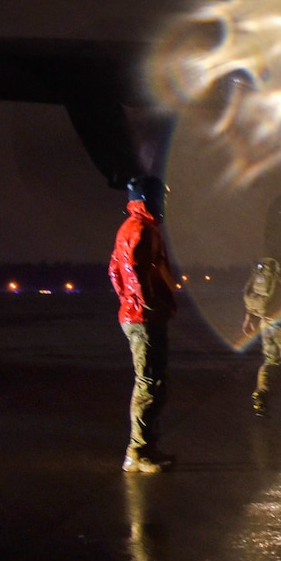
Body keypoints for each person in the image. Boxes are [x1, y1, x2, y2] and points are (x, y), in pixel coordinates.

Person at [109, 175, 178, 473]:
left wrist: (129, 300)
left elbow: (114, 271)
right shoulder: (142, 229)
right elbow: (132, 269)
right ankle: (138, 452)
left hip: (136, 315)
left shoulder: (131, 227)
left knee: (150, 381)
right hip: (144, 318)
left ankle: (145, 447)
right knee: (150, 383)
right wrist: (147, 303)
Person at [241, 254, 281, 418]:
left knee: (269, 362)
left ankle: (261, 393)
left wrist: (248, 318)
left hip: (265, 323)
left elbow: (255, 299)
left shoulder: (267, 275)